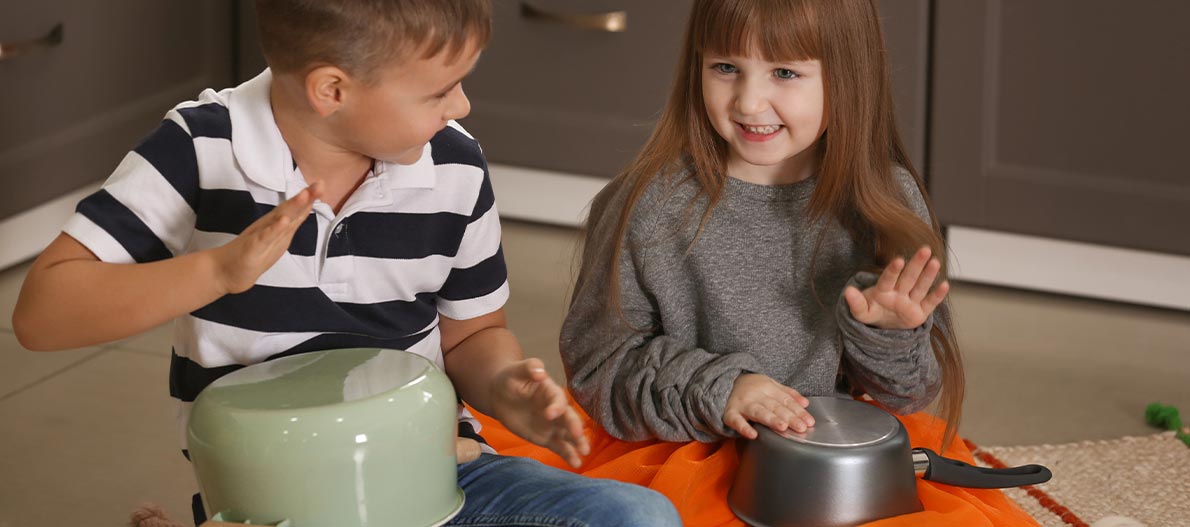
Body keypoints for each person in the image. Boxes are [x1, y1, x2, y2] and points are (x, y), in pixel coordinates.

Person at [12, 1, 680, 526]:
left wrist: (508, 388)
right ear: (332, 88)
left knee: (639, 515)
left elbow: (473, 333)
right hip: (277, 499)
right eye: (440, 90)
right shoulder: (201, 146)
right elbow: (42, 315)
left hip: (435, 473)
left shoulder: (454, 163)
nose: (462, 106)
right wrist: (216, 273)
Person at [561, 0, 964, 451]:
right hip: (692, 452)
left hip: (830, 458)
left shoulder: (889, 201)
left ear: (850, 76)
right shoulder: (649, 206)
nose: (749, 102)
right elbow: (599, 369)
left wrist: (887, 337)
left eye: (785, 73)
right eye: (726, 67)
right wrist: (723, 389)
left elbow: (909, 395)